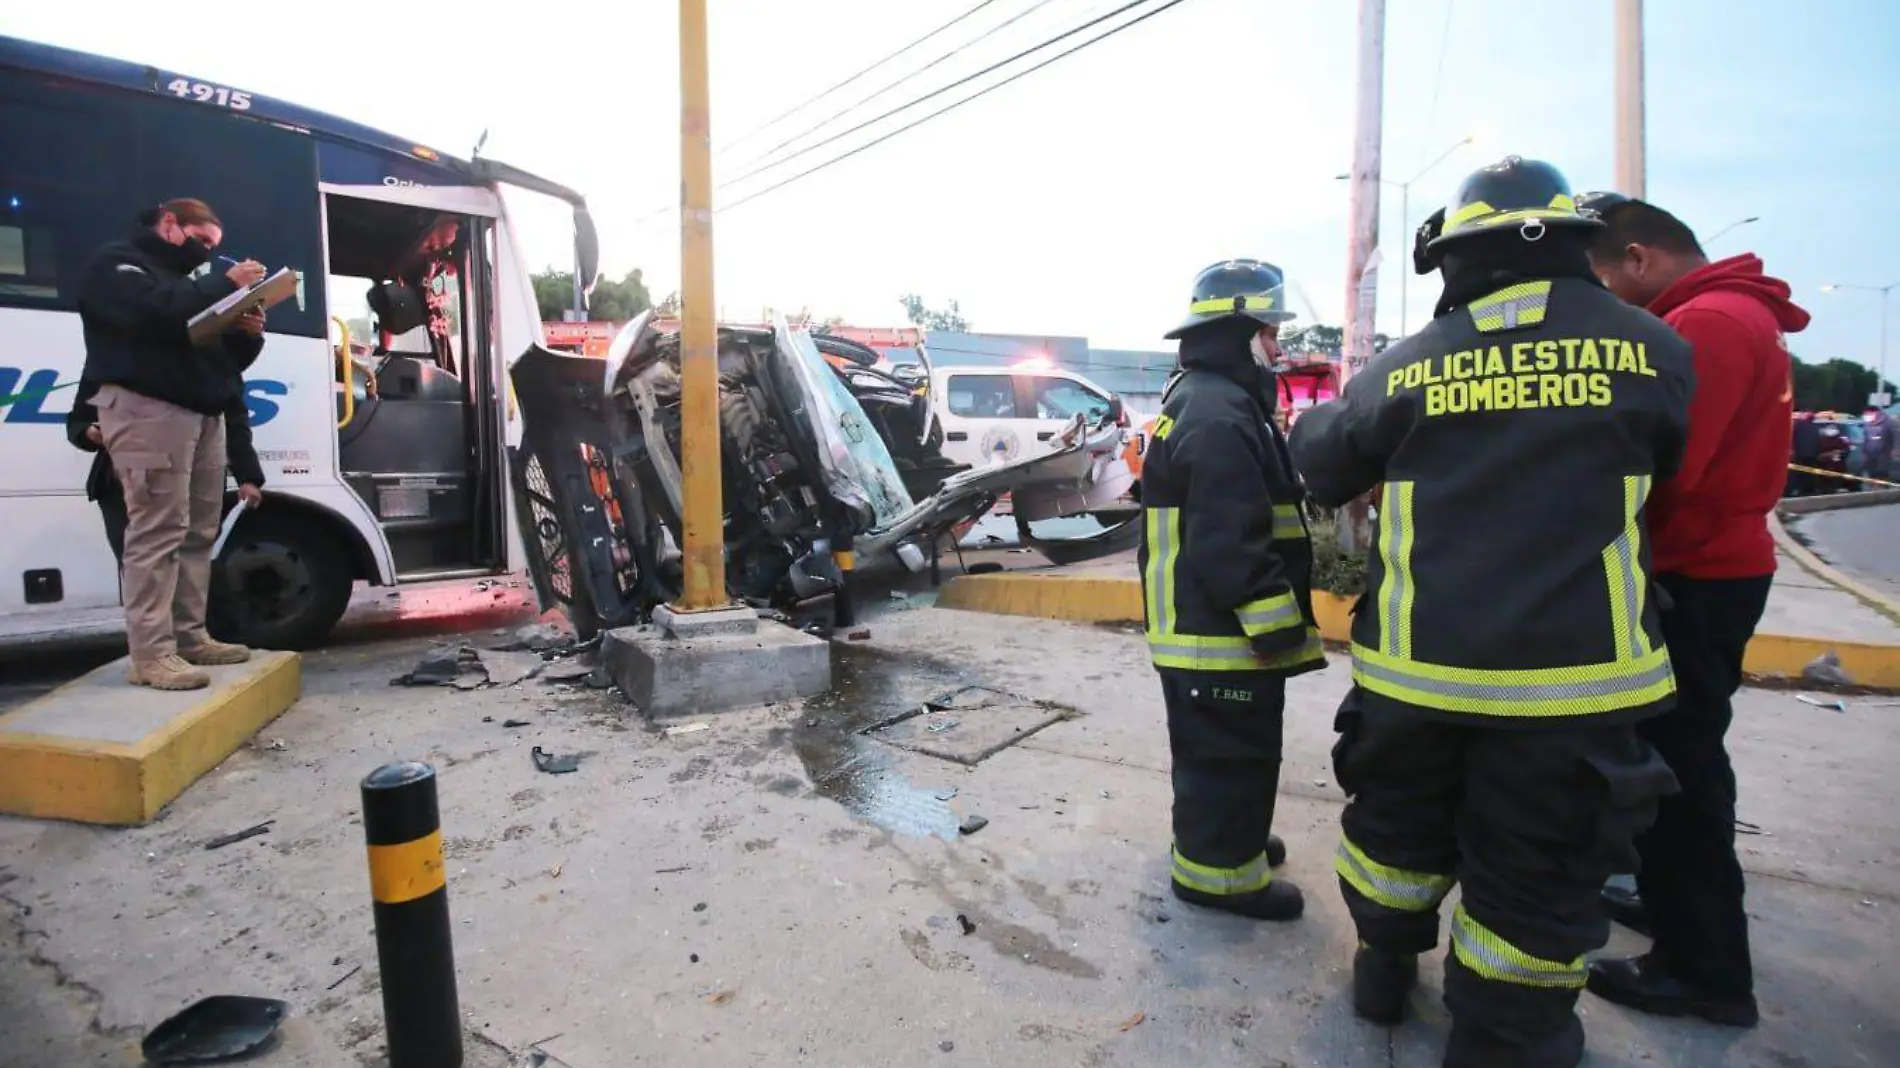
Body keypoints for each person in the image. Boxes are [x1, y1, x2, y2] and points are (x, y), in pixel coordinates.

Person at [1289, 157, 1692, 1068]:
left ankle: (1384, 966)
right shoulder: (1656, 351)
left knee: (1395, 836)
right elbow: (1669, 468)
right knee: (1537, 882)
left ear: (1457, 257)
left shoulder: (1409, 367)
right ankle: (1508, 1041)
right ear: (1577, 243)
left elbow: (1321, 463)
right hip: (1573, 690)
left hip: (1417, 678)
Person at [1577, 193, 1809, 1027]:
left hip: (1697, 571)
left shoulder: (1705, 325)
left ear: (1636, 257)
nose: (1600, 295)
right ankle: (1665, 901)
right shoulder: (1737, 313)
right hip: (1720, 565)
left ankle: (1703, 969)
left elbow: (1667, 471)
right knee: (1677, 753)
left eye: (1600, 274)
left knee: (1681, 772)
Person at [1139, 258, 1327, 923]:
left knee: (1226, 751)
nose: (1278, 348)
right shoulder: (1218, 410)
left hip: (1204, 623)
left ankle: (1229, 840)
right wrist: (1275, 628)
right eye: (1271, 333)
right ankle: (1218, 877)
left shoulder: (1207, 396)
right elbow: (1229, 539)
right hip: (1218, 630)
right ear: (1244, 332)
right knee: (1229, 753)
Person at [76, 198, 270, 690]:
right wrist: (223, 284)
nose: (207, 254)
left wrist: (246, 334)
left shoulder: (187, 286)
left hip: (201, 410)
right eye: (202, 241)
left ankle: (188, 636)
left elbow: (222, 362)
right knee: (157, 531)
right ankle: (152, 654)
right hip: (148, 408)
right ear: (169, 224)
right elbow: (153, 315)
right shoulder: (118, 265)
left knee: (198, 531)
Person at [65, 381, 266, 566]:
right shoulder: (111, 358)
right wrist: (88, 432)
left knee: (191, 567)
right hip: (123, 484)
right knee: (141, 569)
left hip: (191, 481)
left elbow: (234, 424)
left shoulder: (211, 359)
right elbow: (78, 420)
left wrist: (248, 476)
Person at [1864, 406, 1894, 482]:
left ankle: (1883, 490)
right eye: (1866, 414)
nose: (1867, 416)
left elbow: (1895, 436)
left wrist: (1895, 449)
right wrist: (1864, 452)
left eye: (1869, 414)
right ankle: (1873, 489)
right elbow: (1866, 438)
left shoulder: (1888, 423)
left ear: (1876, 413)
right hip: (1870, 453)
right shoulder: (1867, 425)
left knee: (1882, 473)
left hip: (1883, 453)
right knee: (1872, 472)